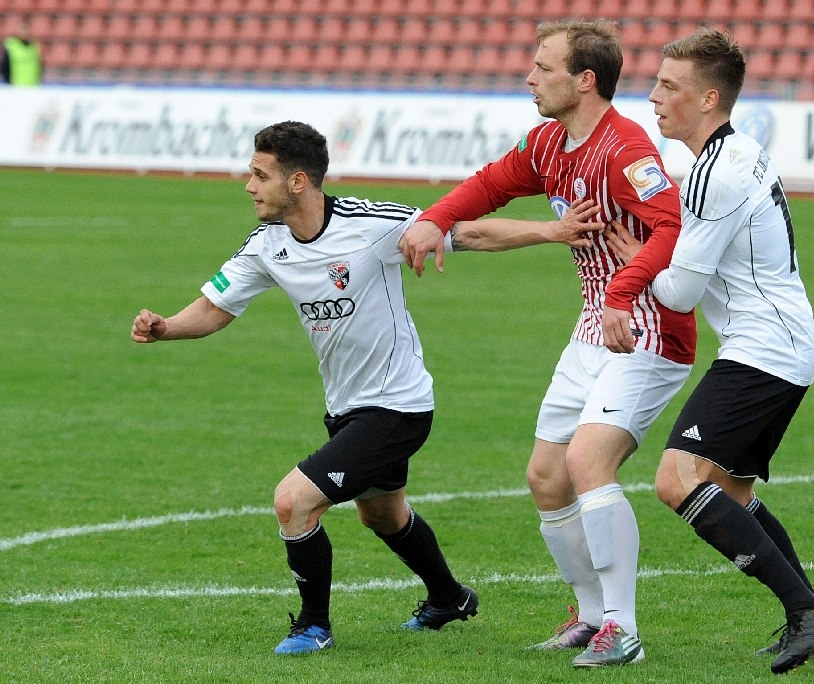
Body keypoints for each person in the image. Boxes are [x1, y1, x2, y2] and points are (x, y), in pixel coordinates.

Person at [400, 19, 697, 667]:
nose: (530, 78)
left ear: (585, 80)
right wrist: (434, 219)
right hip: (594, 326)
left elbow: (672, 228)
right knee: (545, 476)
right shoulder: (549, 143)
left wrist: (623, 292)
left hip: (646, 330)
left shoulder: (626, 149)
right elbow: (490, 183)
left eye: (544, 68)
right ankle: (590, 616)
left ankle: (622, 629)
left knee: (588, 464)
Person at [130, 121, 479, 655]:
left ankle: (313, 627)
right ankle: (449, 597)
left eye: (259, 174)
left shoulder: (371, 224)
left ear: (297, 181)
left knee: (293, 502)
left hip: (397, 405)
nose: (249, 185)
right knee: (382, 515)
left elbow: (467, 233)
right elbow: (214, 307)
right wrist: (166, 327)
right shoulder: (267, 245)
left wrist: (553, 231)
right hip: (346, 406)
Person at [600, 27, 814, 675]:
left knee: (676, 479)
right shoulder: (734, 153)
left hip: (764, 349)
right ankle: (813, 617)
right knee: (729, 491)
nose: (654, 96)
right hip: (780, 342)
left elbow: (680, 293)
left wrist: (640, 263)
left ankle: (811, 612)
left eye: (669, 86)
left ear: (709, 98)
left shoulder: (716, 172)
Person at [1, 20, 43, 86]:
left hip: (33, 85)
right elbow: (5, 66)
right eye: (22, 31)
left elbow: (39, 64)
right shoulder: (11, 45)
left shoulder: (34, 45)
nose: (24, 33)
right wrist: (8, 82)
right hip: (16, 85)